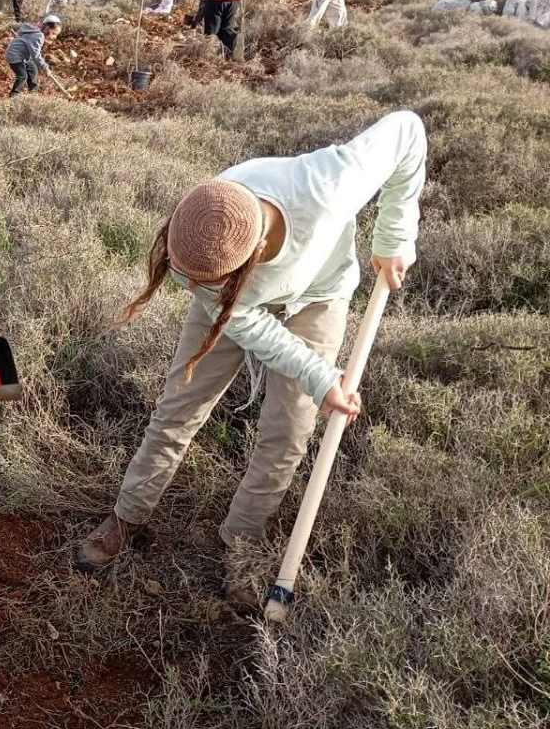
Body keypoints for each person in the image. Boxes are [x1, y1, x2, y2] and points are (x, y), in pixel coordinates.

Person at [75, 112, 427, 606]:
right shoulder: (198, 240)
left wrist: (394, 237)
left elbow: (407, 131)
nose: (199, 286)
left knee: (288, 430)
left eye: (214, 279)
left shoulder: (331, 182)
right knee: (179, 406)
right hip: (237, 310)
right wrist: (319, 374)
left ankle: (240, 544)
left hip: (318, 296)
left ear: (258, 247)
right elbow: (250, 325)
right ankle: (128, 514)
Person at [5, 14, 61, 96]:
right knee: (22, 76)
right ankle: (14, 95)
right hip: (15, 55)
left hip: (23, 56)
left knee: (33, 69)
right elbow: (36, 55)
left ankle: (33, 93)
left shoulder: (34, 30)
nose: (55, 37)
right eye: (54, 33)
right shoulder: (38, 36)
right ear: (47, 29)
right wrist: (45, 67)